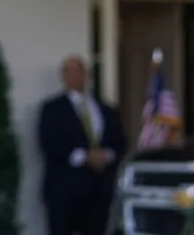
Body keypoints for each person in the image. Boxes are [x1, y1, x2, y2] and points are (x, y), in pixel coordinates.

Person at [38, 56, 127, 235]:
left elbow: (120, 142)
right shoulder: (52, 109)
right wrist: (84, 156)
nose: (75, 76)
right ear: (63, 76)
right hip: (64, 190)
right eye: (69, 72)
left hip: (98, 190)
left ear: (87, 75)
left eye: (79, 71)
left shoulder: (106, 109)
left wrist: (105, 155)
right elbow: (48, 143)